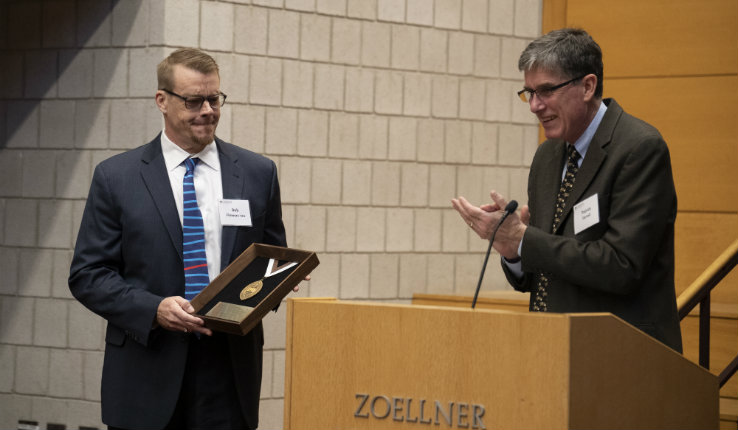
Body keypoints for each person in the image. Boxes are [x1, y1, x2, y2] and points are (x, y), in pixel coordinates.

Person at [69, 48, 288, 429]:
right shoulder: (116, 177)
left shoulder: (257, 173)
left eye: (214, 98)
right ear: (162, 101)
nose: (207, 110)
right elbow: (88, 275)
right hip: (146, 367)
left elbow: (271, 258)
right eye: (193, 100)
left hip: (228, 374)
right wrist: (153, 309)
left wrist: (279, 278)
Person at [452, 28, 682, 353]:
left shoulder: (639, 149)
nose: (534, 105)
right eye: (528, 92)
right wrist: (512, 250)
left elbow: (622, 266)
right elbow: (544, 272)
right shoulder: (547, 156)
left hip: (622, 357)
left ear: (587, 86)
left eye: (545, 90)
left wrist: (524, 238)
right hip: (552, 352)